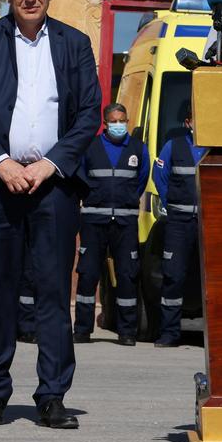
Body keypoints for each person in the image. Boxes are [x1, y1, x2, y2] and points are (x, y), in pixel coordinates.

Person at [0, 0, 101, 430]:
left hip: (54, 188)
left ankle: (52, 396)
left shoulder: (75, 44)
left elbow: (88, 115)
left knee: (54, 293)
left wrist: (51, 165)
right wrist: (1, 163)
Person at [73, 103, 150, 346]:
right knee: (88, 274)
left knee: (128, 275)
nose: (119, 125)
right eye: (114, 121)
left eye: (123, 120)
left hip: (125, 222)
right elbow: (81, 177)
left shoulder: (138, 148)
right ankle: (83, 330)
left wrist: (127, 201)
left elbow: (141, 178)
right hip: (94, 220)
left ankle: (127, 332)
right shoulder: (91, 147)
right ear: (105, 124)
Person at [151, 102, 206, 348]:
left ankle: (213, 338)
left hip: (209, 222)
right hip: (179, 223)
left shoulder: (216, 148)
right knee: (173, 276)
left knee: (213, 279)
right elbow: (159, 177)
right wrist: (170, 203)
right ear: (187, 123)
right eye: (196, 119)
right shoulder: (173, 146)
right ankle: (169, 333)